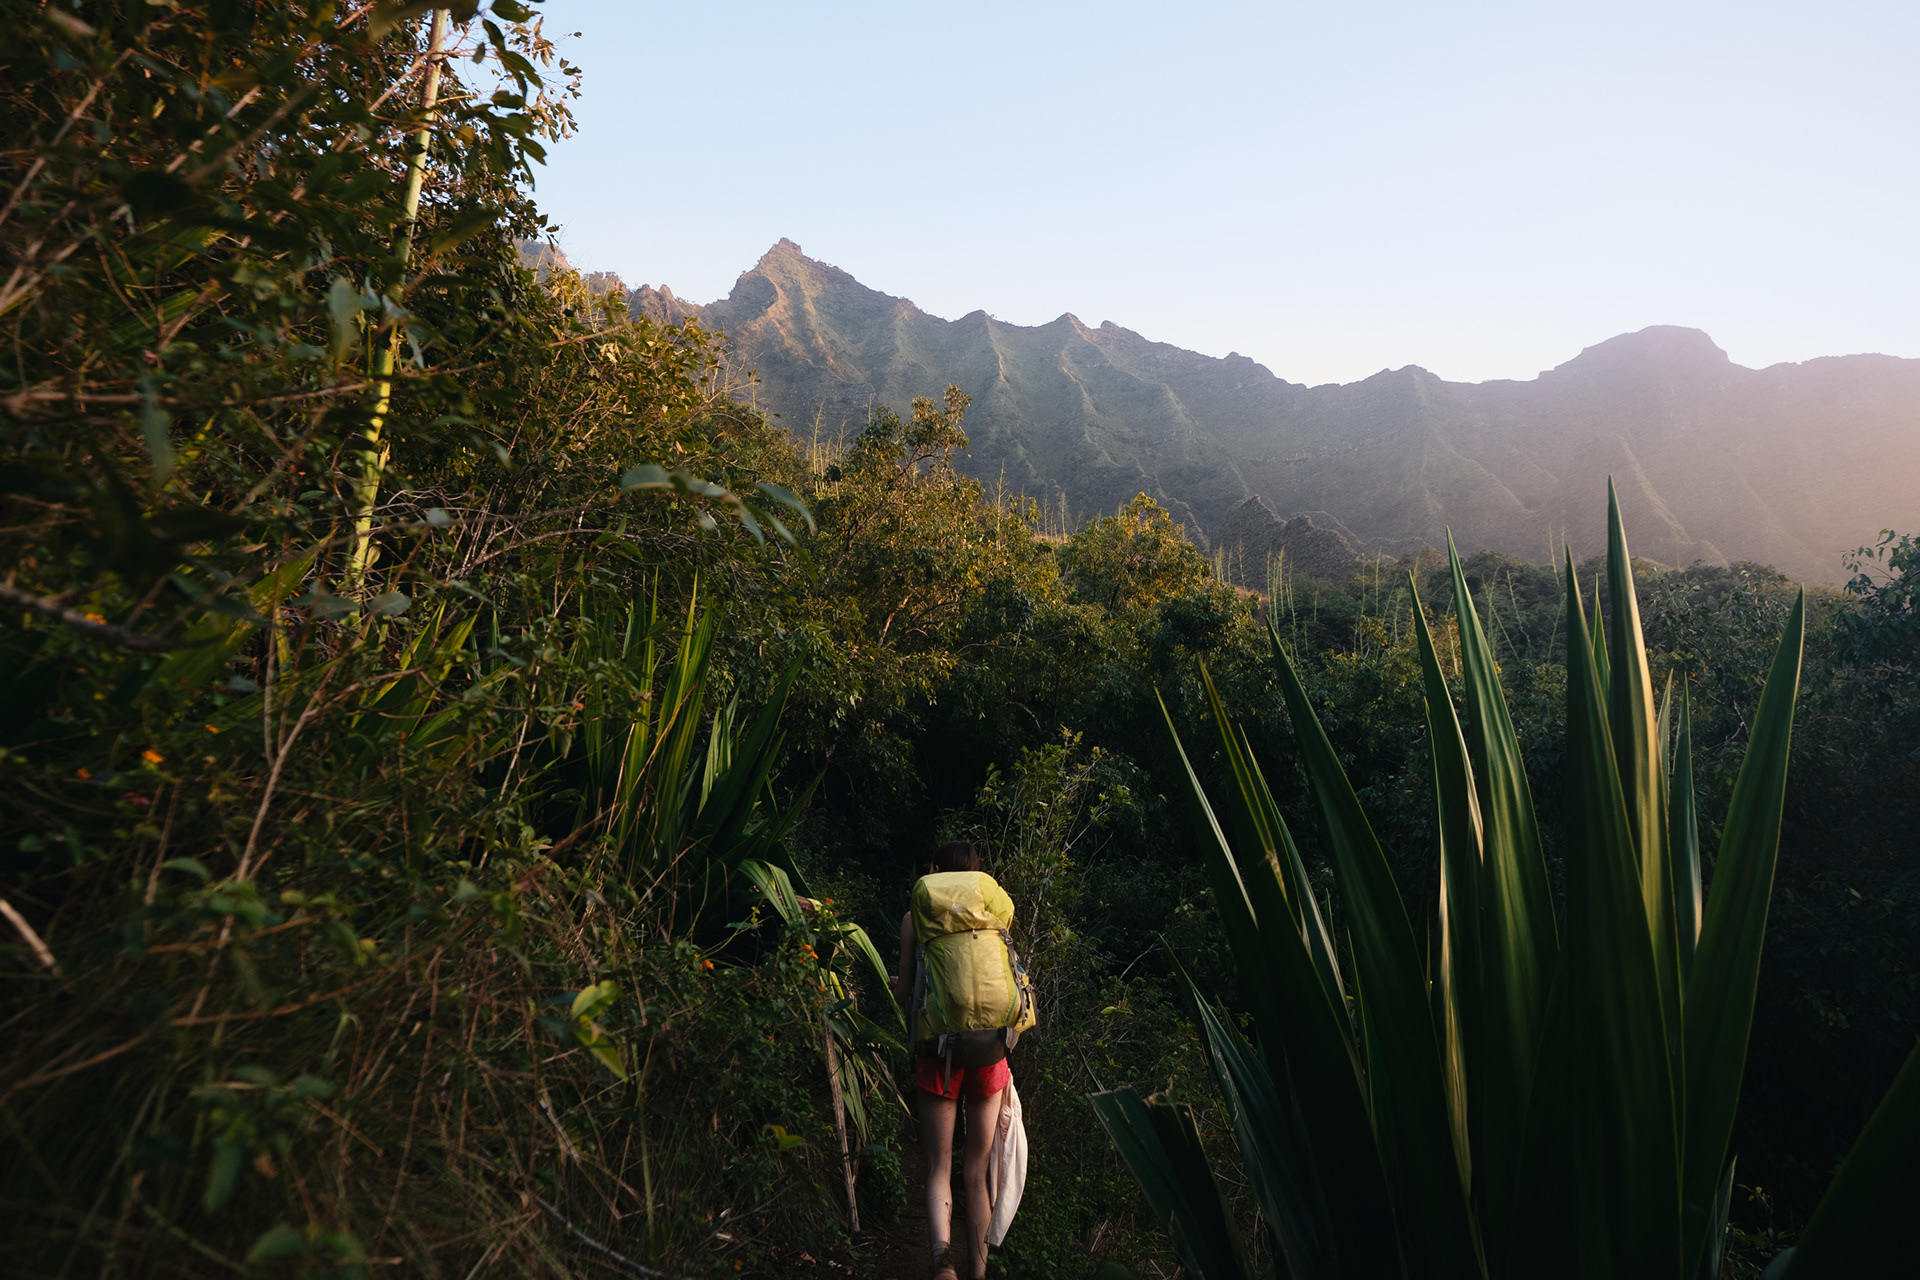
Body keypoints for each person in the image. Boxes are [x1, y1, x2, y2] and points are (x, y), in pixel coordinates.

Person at [891, 840, 1010, 1280]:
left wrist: (897, 984)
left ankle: (943, 1264)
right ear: (977, 875)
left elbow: (904, 994)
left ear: (936, 870)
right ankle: (979, 1274)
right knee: (975, 1170)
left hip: (936, 1053)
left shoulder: (914, 918)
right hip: (990, 1052)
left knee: (938, 1167)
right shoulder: (994, 915)